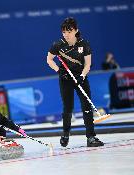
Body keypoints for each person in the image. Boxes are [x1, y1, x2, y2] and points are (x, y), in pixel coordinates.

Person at [46, 17, 104, 147]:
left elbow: (88, 64)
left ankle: (91, 137)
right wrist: (58, 70)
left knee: (86, 106)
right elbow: (49, 59)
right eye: (64, 32)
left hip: (80, 78)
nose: (66, 34)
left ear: (76, 30)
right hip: (65, 79)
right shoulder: (58, 45)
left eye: (69, 31)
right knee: (68, 107)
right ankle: (65, 134)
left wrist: (82, 76)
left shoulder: (84, 44)